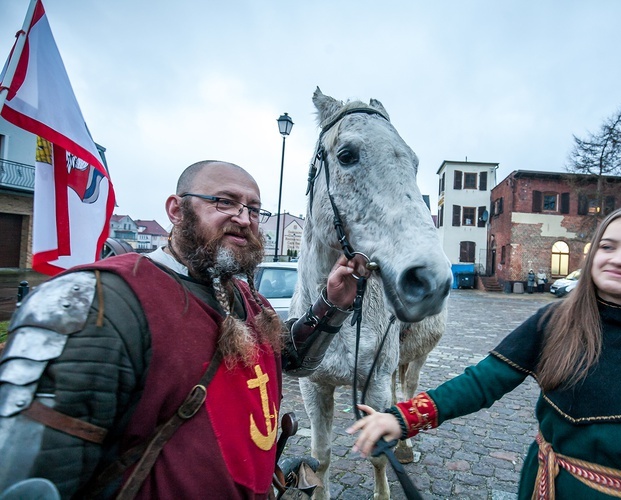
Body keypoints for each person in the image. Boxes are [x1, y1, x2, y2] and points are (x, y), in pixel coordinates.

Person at [0, 160, 360, 499]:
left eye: (254, 209)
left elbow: (288, 360)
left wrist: (332, 303)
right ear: (176, 209)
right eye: (225, 202)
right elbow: (36, 474)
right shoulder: (103, 300)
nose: (244, 218)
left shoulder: (249, 298)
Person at [348, 205, 621, 499]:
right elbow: (484, 381)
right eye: (607, 246)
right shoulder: (554, 321)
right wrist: (401, 419)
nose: (619, 259)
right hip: (542, 489)